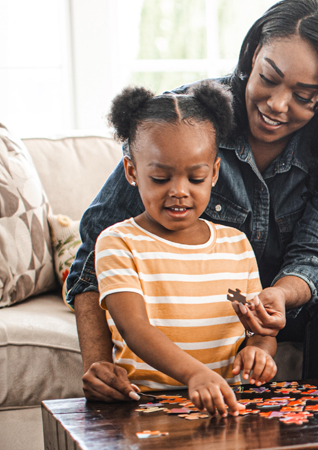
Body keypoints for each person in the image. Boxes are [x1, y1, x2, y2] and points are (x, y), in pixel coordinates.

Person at [66, 0, 318, 403]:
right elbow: (94, 250)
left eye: (304, 95)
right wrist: (97, 362)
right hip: (192, 301)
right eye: (268, 78)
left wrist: (275, 300)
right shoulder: (183, 124)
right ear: (251, 56)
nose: (278, 105)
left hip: (279, 306)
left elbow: (317, 254)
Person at [97, 84, 276, 417]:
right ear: (132, 172)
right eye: (161, 178)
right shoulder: (117, 242)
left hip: (223, 406)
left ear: (214, 174)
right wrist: (195, 373)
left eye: (195, 178)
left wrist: (260, 351)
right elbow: (134, 328)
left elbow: (255, 328)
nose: (179, 191)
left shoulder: (235, 244)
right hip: (147, 407)